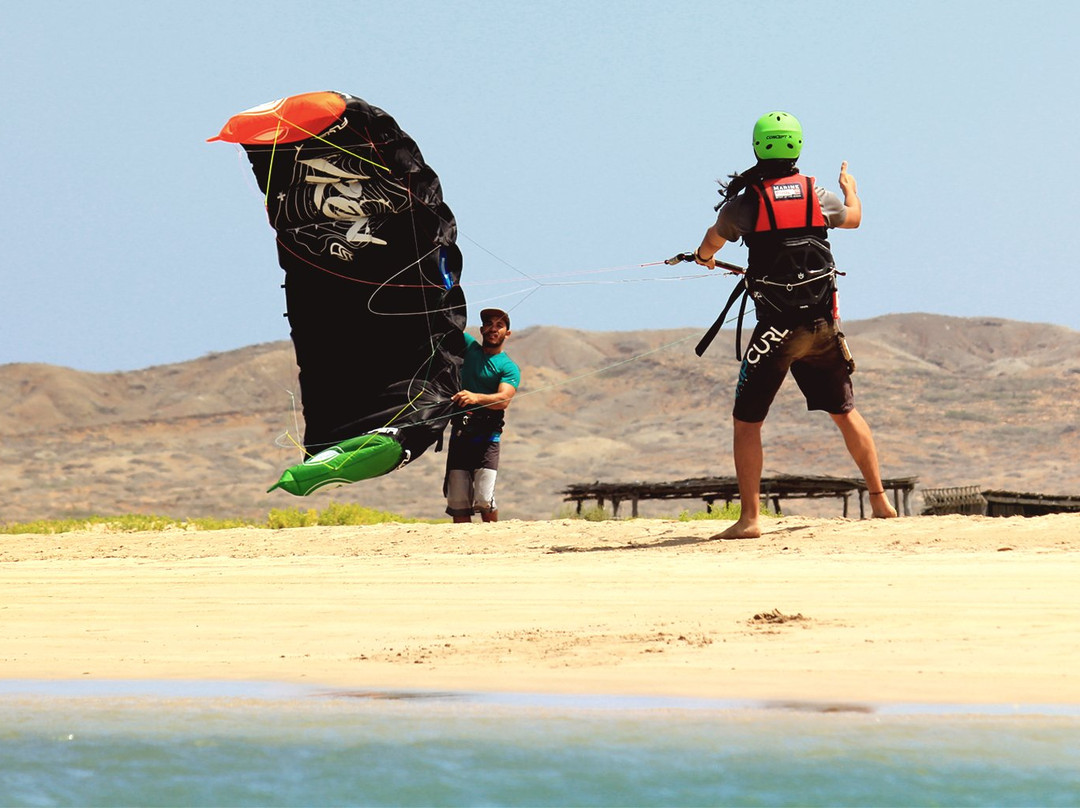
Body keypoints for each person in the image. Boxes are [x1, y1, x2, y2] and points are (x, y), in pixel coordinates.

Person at [693, 111, 897, 538]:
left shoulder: (744, 203)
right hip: (822, 327)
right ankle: (880, 502)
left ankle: (750, 520)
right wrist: (851, 190)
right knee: (844, 412)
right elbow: (854, 218)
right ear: (797, 148)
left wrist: (704, 257)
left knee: (747, 422)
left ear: (756, 148)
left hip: (776, 331)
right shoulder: (816, 195)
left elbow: (711, 242)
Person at [444, 307, 521, 523]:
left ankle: (492, 540)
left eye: (499, 325)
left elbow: (503, 399)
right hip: (461, 436)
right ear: (481, 330)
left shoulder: (508, 367)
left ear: (507, 333)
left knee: (485, 499)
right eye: (489, 324)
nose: (493, 329)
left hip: (487, 439)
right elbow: (447, 326)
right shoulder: (470, 349)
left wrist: (476, 398)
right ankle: (463, 550)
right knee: (458, 503)